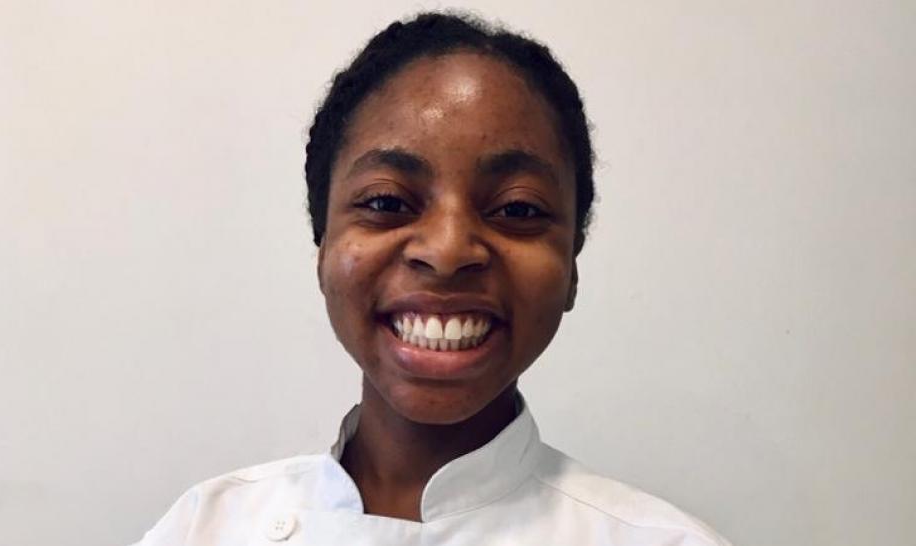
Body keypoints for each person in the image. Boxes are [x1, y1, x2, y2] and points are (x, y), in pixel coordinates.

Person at [134, 12, 731, 545]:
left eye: (517, 209)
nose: (447, 251)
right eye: (389, 201)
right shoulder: (204, 527)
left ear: (571, 268)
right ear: (324, 250)